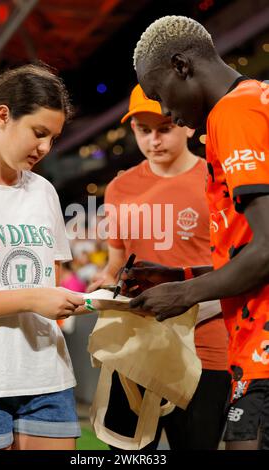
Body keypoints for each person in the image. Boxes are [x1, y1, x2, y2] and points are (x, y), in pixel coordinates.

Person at [128, 15, 269, 450]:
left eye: (160, 96)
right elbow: (250, 247)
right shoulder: (255, 100)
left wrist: (185, 297)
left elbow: (267, 249)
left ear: (180, 66)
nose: (168, 112)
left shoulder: (234, 112)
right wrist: (183, 278)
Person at [0, 64, 118, 451]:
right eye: (39, 133)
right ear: (2, 116)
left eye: (53, 138)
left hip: (47, 380)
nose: (45, 149)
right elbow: (35, 296)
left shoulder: (44, 193)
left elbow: (48, 293)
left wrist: (93, 300)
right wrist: (33, 299)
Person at [90, 84, 230, 450]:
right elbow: (116, 264)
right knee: (127, 456)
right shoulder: (119, 188)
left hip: (204, 347)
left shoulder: (217, 181)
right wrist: (101, 284)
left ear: (186, 125)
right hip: (136, 345)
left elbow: (237, 265)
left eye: (164, 128)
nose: (153, 139)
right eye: (142, 129)